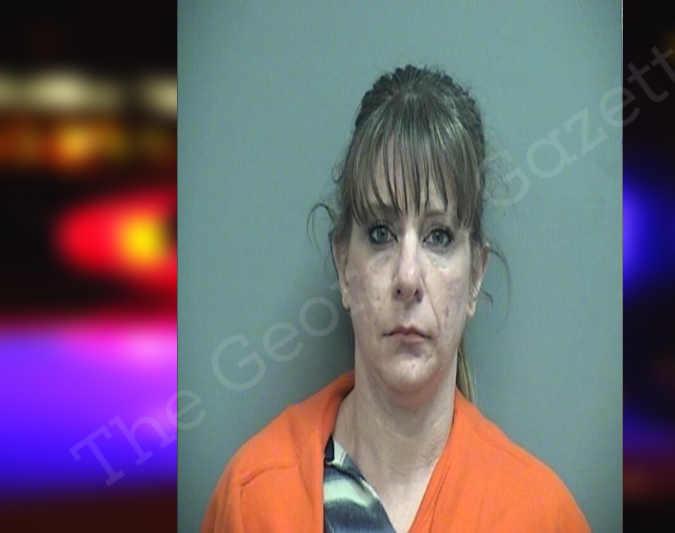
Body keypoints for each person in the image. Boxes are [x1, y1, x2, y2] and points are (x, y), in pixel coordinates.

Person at [201, 65, 591, 532]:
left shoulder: (542, 516)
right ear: (344, 267)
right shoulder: (252, 498)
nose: (408, 278)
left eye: (439, 236)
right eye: (381, 233)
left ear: (475, 275)